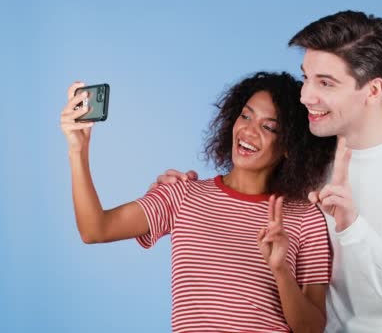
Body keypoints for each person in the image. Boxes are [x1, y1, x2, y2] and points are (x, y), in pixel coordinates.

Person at [157, 10, 382, 333]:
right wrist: (181, 190)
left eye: (325, 83)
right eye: (306, 77)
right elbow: (253, 198)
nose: (305, 97)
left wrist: (352, 225)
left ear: (373, 91)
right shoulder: (315, 140)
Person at [60, 71, 337, 333]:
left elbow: (312, 328)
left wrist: (281, 271)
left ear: (289, 146)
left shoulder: (305, 218)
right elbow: (95, 229)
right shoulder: (181, 195)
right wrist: (78, 150)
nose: (249, 131)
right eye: (245, 116)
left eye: (269, 127)